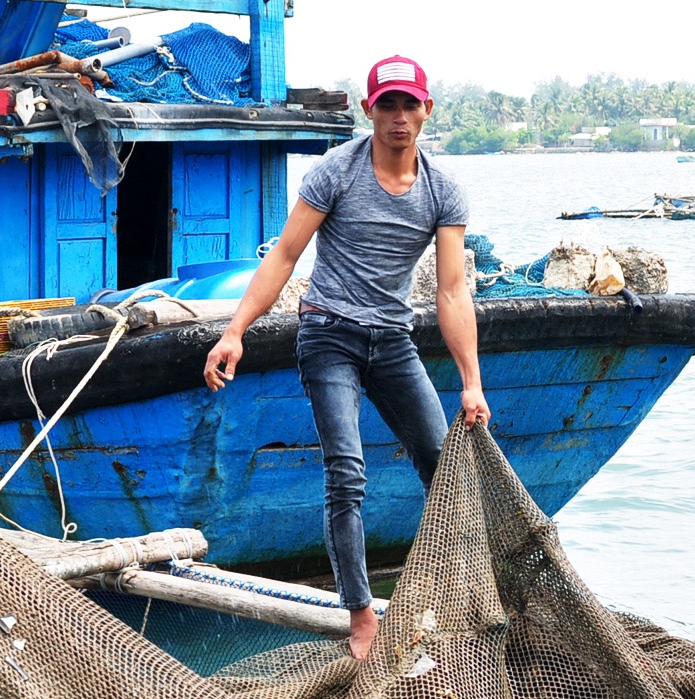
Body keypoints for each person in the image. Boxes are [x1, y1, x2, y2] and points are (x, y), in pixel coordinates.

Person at [204, 53, 488, 661]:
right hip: (328, 334)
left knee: (445, 465)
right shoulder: (337, 171)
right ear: (369, 110)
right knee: (347, 471)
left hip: (392, 340)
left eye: (410, 104)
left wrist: (471, 382)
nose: (399, 117)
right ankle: (360, 613)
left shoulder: (443, 190)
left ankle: (452, 593)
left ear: (426, 111)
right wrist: (236, 331)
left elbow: (452, 288)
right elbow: (283, 256)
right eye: (387, 104)